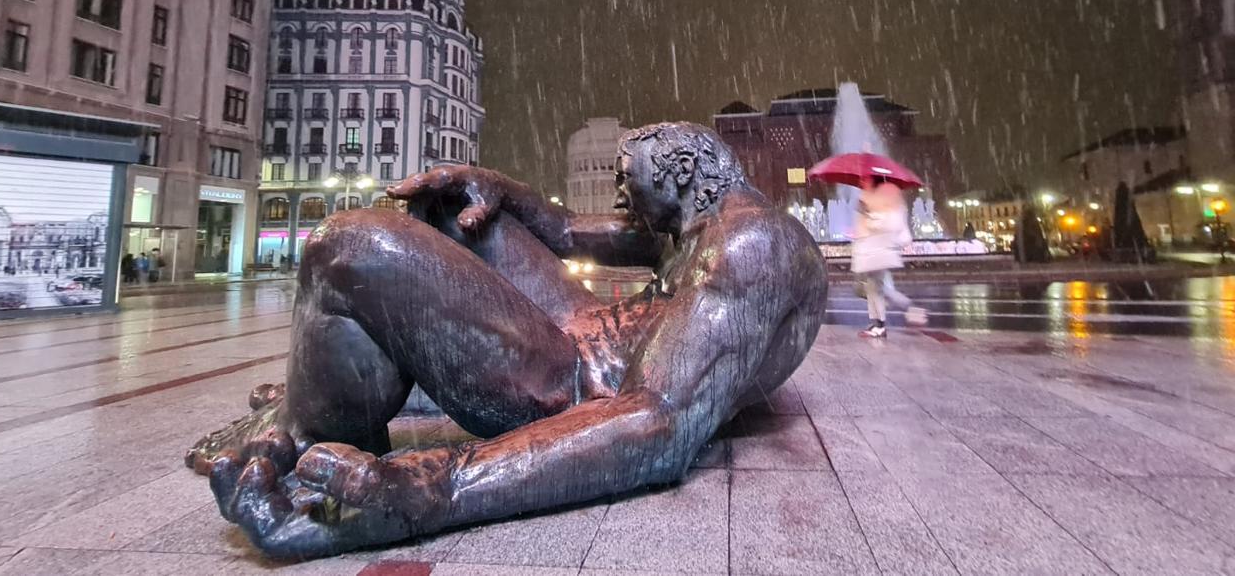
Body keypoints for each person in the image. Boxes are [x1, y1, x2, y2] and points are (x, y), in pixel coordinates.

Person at [189, 122, 828, 559]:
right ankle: (328, 405)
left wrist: (436, 485)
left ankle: (317, 422)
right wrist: (495, 184)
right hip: (577, 339)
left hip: (575, 386)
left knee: (349, 245)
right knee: (450, 208)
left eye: (627, 180)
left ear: (683, 169)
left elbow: (660, 424)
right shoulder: (697, 223)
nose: (619, 195)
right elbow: (571, 229)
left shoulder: (753, 247)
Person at [852, 177, 927, 338]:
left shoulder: (887, 194)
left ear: (873, 180)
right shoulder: (869, 195)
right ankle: (877, 322)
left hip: (878, 251)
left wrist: (868, 213)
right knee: (872, 288)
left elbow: (889, 223)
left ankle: (884, 322)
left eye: (865, 180)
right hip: (870, 252)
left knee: (876, 288)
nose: (861, 182)